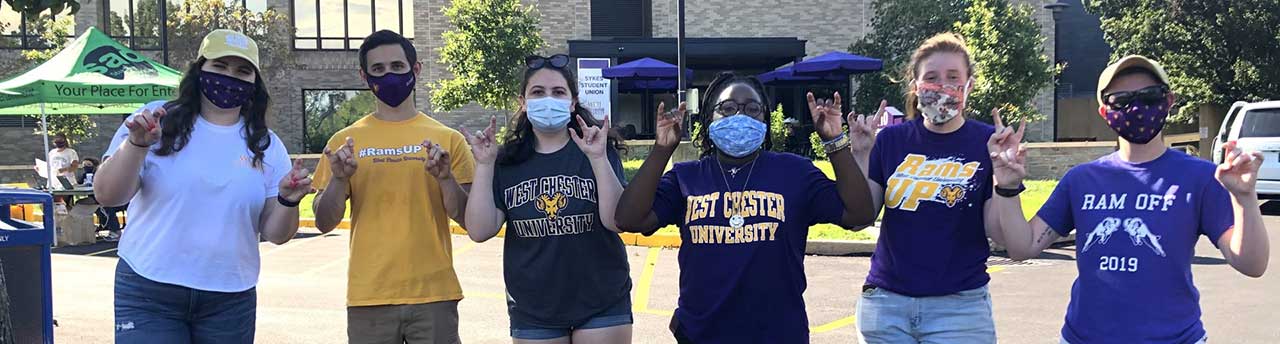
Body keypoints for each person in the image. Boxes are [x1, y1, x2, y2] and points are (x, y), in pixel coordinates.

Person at [991, 55, 1270, 344]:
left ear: (1169, 100)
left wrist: (1245, 198)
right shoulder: (1082, 179)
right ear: (1104, 111)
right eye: (1121, 100)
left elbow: (1252, 264)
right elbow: (1022, 247)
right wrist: (1008, 187)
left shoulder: (1201, 177)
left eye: (1150, 96)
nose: (1137, 108)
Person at [615, 72, 876, 343]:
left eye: (752, 109)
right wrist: (661, 150)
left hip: (779, 335)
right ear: (708, 118)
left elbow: (859, 214)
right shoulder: (686, 177)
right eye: (727, 108)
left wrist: (834, 143)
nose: (740, 116)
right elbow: (629, 219)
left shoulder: (794, 172)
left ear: (764, 119)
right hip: (703, 335)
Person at [93, 29, 311, 343]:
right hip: (149, 288)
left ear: (254, 82)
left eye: (242, 71)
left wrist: (288, 201)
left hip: (229, 298)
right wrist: (136, 146)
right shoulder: (156, 120)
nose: (229, 77)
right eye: (219, 67)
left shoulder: (266, 144)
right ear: (199, 70)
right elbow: (107, 195)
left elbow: (276, 234)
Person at [310, 30, 474, 344]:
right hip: (369, 297)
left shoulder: (449, 139)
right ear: (364, 75)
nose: (389, 75)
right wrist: (339, 179)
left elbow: (469, 220)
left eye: (398, 67)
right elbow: (323, 221)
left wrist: (445, 179)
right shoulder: (343, 143)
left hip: (435, 294)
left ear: (416, 69)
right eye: (379, 69)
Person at [851, 33, 1012, 343]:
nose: (942, 86)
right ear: (915, 85)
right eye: (932, 78)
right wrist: (860, 155)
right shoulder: (890, 141)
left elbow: (998, 233)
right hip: (887, 306)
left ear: (969, 85)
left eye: (953, 77)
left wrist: (1006, 180)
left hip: (960, 309)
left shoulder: (989, 143)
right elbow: (861, 217)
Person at [462, 54, 632, 344]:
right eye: (538, 93)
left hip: (602, 300)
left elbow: (617, 221)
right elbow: (479, 231)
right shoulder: (505, 161)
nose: (548, 99)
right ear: (523, 103)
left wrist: (599, 159)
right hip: (533, 308)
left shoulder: (596, 150)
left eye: (558, 92)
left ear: (573, 101)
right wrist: (485, 165)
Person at [79, 157, 125, 241]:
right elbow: (80, 183)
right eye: (84, 165)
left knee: (105, 208)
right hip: (94, 199)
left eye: (89, 164)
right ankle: (90, 229)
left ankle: (116, 231)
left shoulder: (101, 173)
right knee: (80, 203)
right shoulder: (85, 175)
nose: (86, 167)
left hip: (110, 199)